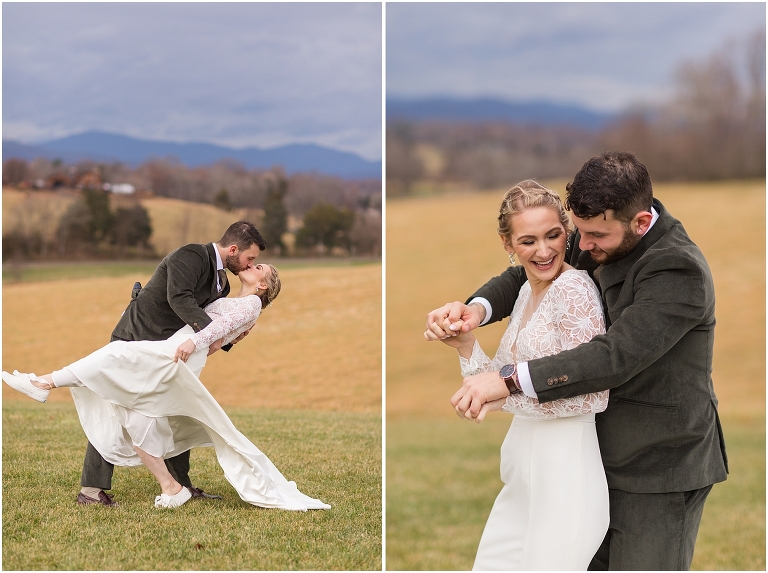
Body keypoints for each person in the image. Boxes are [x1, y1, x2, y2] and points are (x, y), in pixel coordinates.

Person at [426, 152, 728, 570]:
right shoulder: (600, 231)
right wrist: (474, 310)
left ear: (640, 222)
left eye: (593, 238)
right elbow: (527, 272)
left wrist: (509, 378)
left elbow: (615, 356)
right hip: (589, 457)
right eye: (577, 233)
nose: (580, 247)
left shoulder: (678, 270)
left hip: (657, 466)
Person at [3, 263, 330, 511]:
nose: (253, 265)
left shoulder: (251, 305)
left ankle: (42, 382)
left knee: (116, 356)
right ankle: (172, 488)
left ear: (263, 285)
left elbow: (216, 327)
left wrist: (196, 343)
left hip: (178, 352)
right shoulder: (232, 298)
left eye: (260, 267)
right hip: (180, 348)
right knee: (136, 412)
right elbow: (220, 333)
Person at [430, 180, 609, 569]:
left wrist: (503, 387)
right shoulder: (526, 292)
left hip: (565, 479)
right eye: (528, 241)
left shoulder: (574, 288)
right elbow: (502, 383)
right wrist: (465, 347)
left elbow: (593, 393)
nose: (544, 251)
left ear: (568, 232)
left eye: (553, 235)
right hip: (520, 480)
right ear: (507, 244)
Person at [88, 220, 265, 506]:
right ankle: (91, 489)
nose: (250, 264)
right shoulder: (191, 255)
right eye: (250, 258)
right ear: (234, 249)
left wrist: (230, 338)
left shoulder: (223, 282)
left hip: (167, 350)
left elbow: (213, 318)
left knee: (177, 407)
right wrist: (212, 337)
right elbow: (179, 298)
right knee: (116, 407)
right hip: (136, 338)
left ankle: (181, 483)